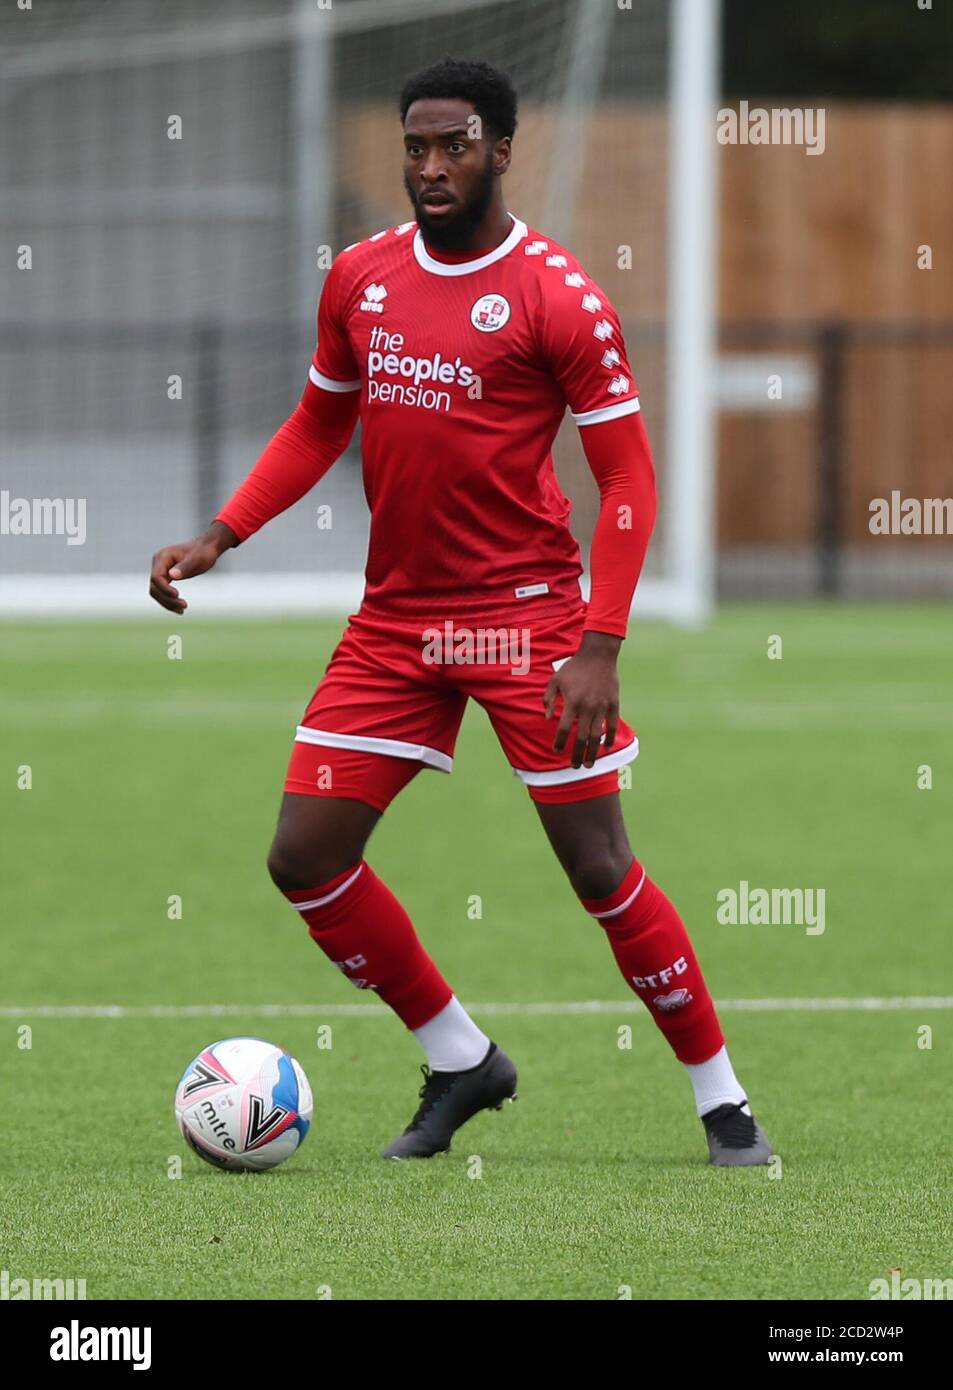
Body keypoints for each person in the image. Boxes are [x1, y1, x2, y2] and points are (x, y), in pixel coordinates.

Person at [150, 56, 771, 1167]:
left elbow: (628, 483)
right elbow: (315, 423)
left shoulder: (557, 295)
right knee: (305, 854)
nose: (430, 167)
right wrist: (222, 533)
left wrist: (600, 643)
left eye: (454, 144)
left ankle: (722, 1102)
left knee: (595, 865)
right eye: (414, 147)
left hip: (526, 621)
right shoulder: (360, 277)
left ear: (499, 148)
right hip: (396, 620)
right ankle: (459, 1058)